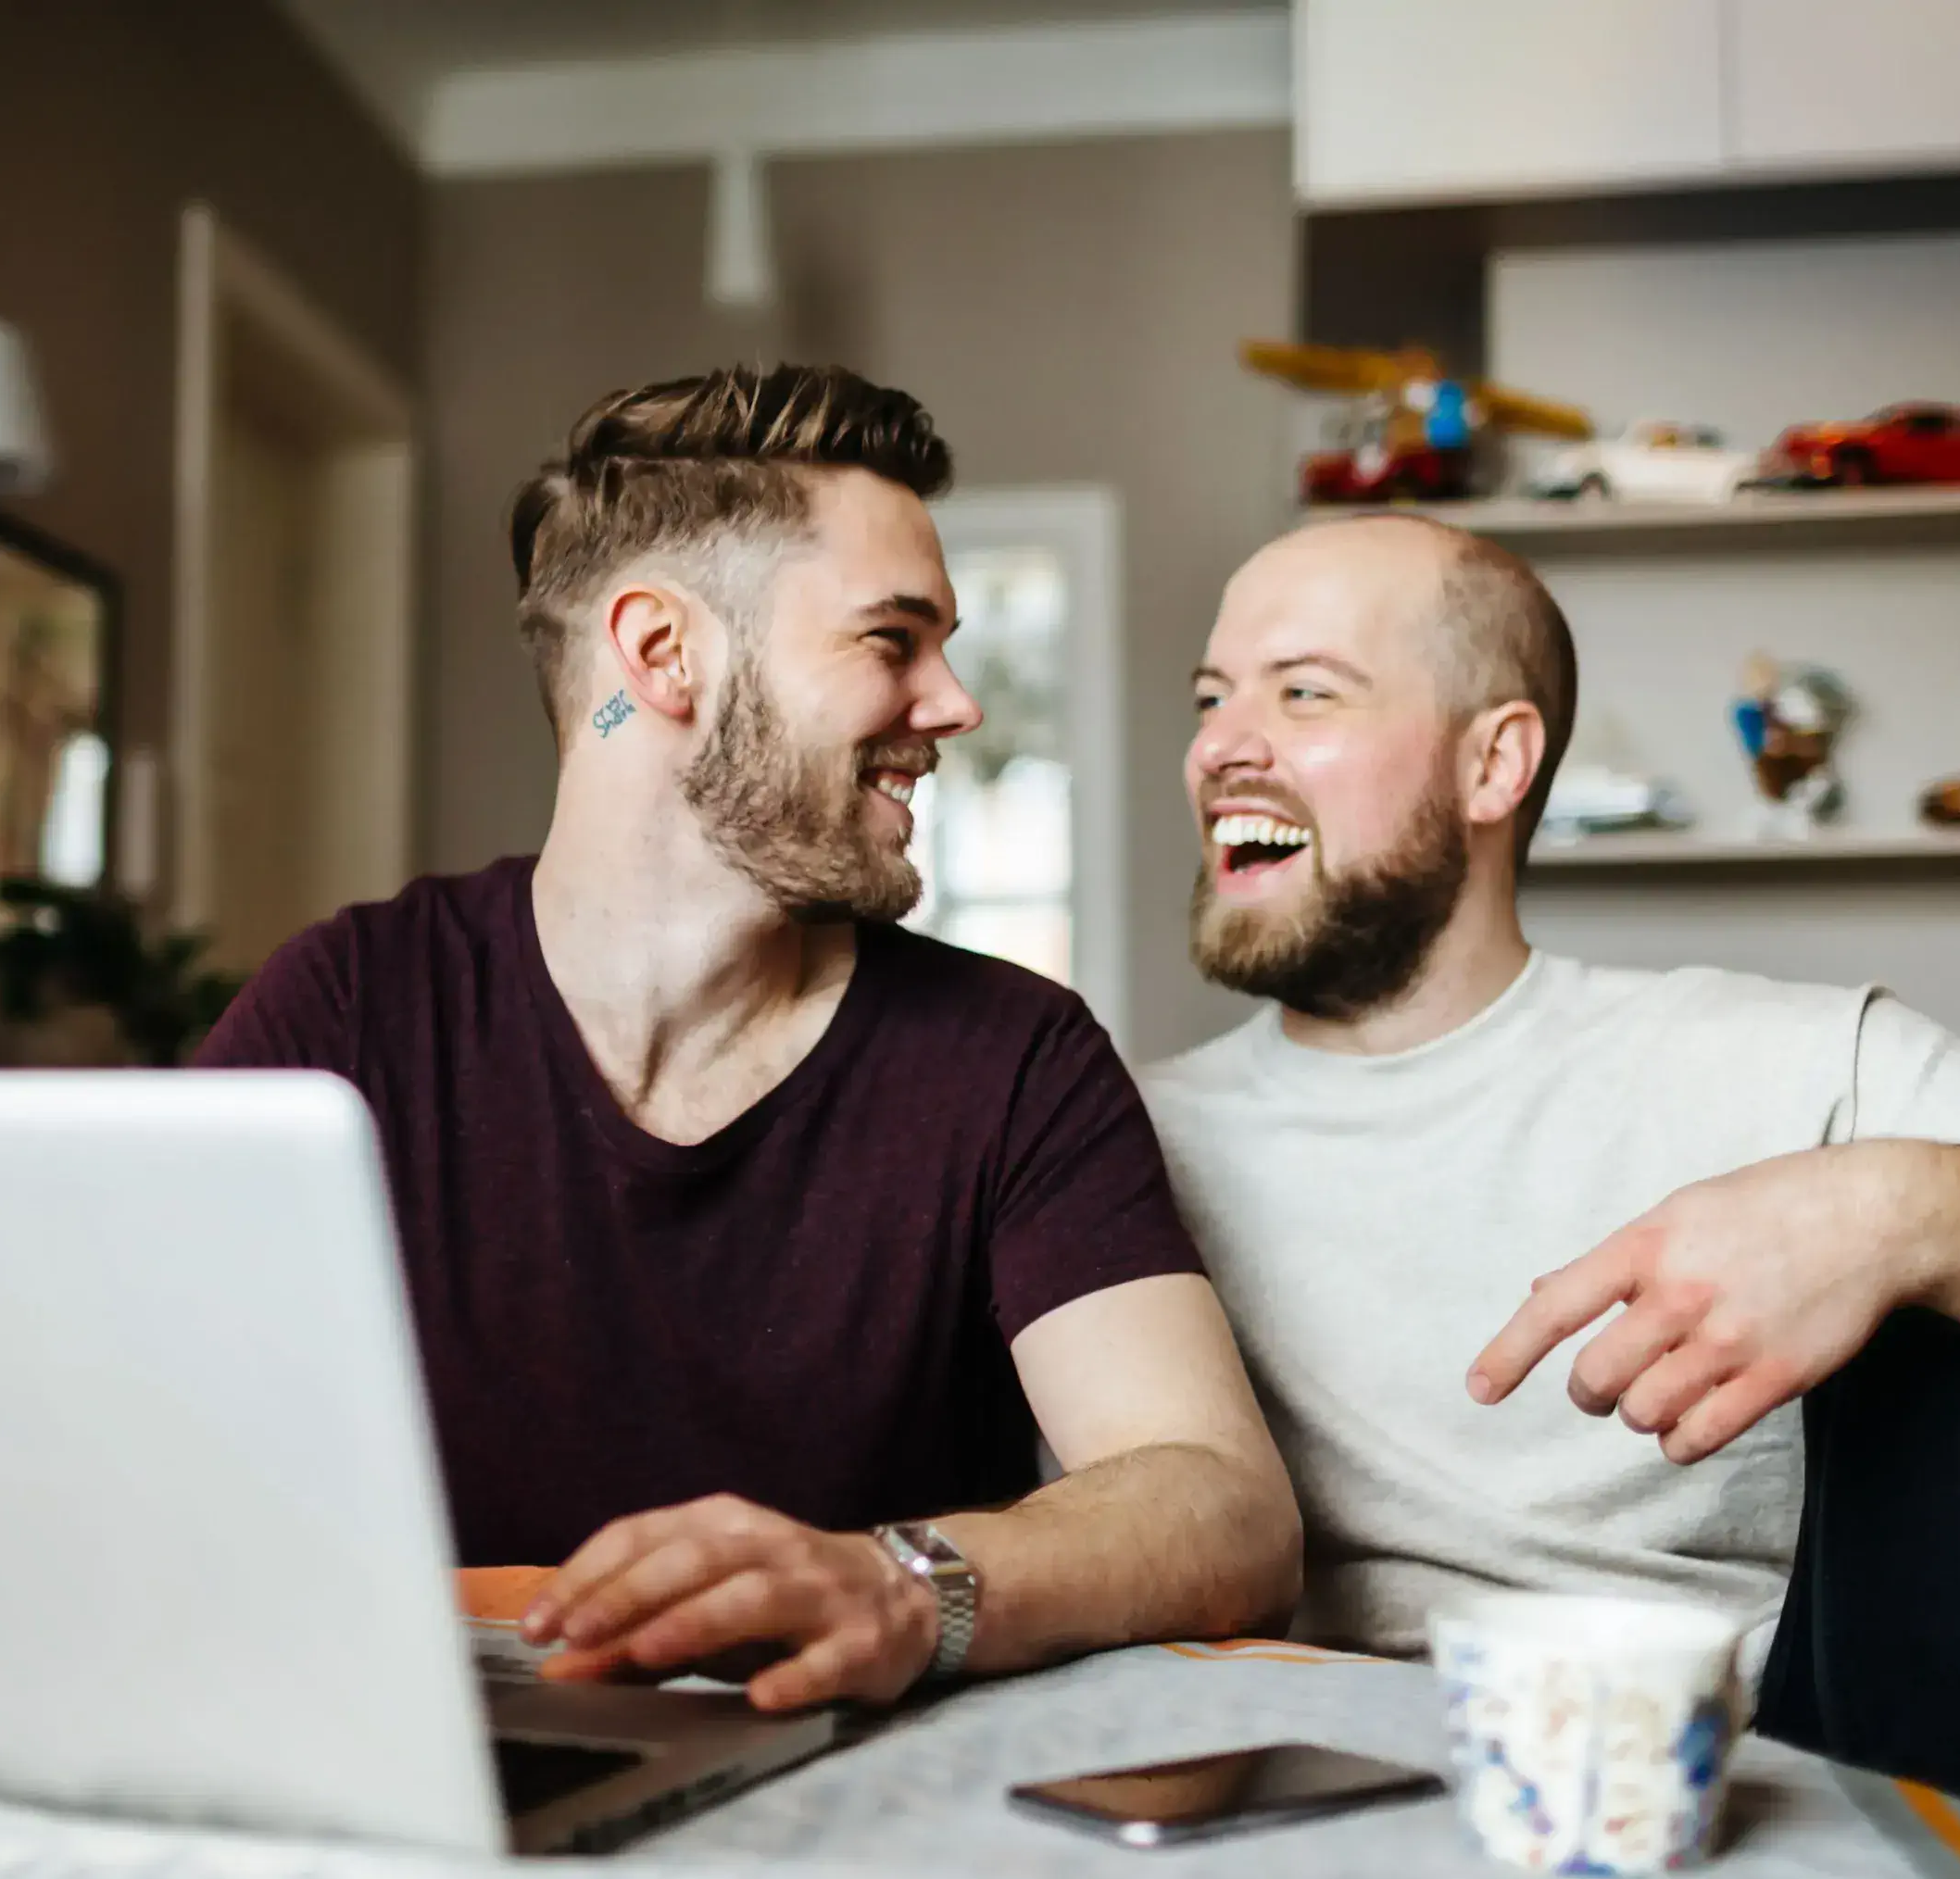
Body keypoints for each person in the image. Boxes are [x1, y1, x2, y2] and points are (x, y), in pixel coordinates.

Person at [198, 365, 1300, 1715]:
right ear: (662, 655)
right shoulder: (352, 1010)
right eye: (893, 639)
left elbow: (1223, 1501)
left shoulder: (1012, 1059)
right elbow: (110, 1408)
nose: (954, 702)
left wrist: (904, 1587)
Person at [1142, 512, 1960, 1843]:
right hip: (1285, 1809)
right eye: (1212, 699)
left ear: (1494, 761)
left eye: (1305, 691)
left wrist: (1900, 1207)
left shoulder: (1793, 1062)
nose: (1222, 745)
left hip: (1723, 1813)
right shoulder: (1105, 1138)